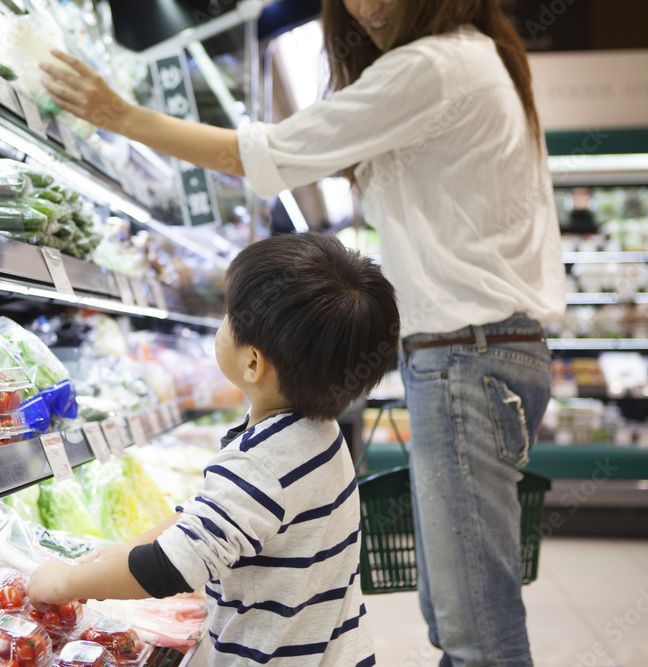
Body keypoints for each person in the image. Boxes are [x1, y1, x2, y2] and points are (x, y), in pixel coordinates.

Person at [36, 1, 565, 665]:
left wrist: (122, 117)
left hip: (468, 356)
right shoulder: (313, 444)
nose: (365, 7)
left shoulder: (435, 65)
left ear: (258, 361)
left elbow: (268, 153)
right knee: (461, 614)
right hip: (478, 355)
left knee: (474, 632)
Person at [29, 232, 398, 667]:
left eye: (229, 317)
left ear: (253, 364)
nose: (222, 323)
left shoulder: (261, 465)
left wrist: (68, 583)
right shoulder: (318, 432)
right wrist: (112, 554)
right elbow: (201, 517)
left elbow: (171, 566)